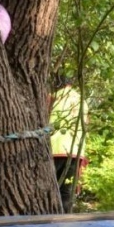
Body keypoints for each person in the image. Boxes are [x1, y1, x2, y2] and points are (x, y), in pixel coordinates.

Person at [49, 78, 87, 213]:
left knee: (48, 187)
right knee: (67, 191)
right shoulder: (81, 100)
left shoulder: (52, 98)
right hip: (75, 150)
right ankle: (66, 220)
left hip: (53, 149)